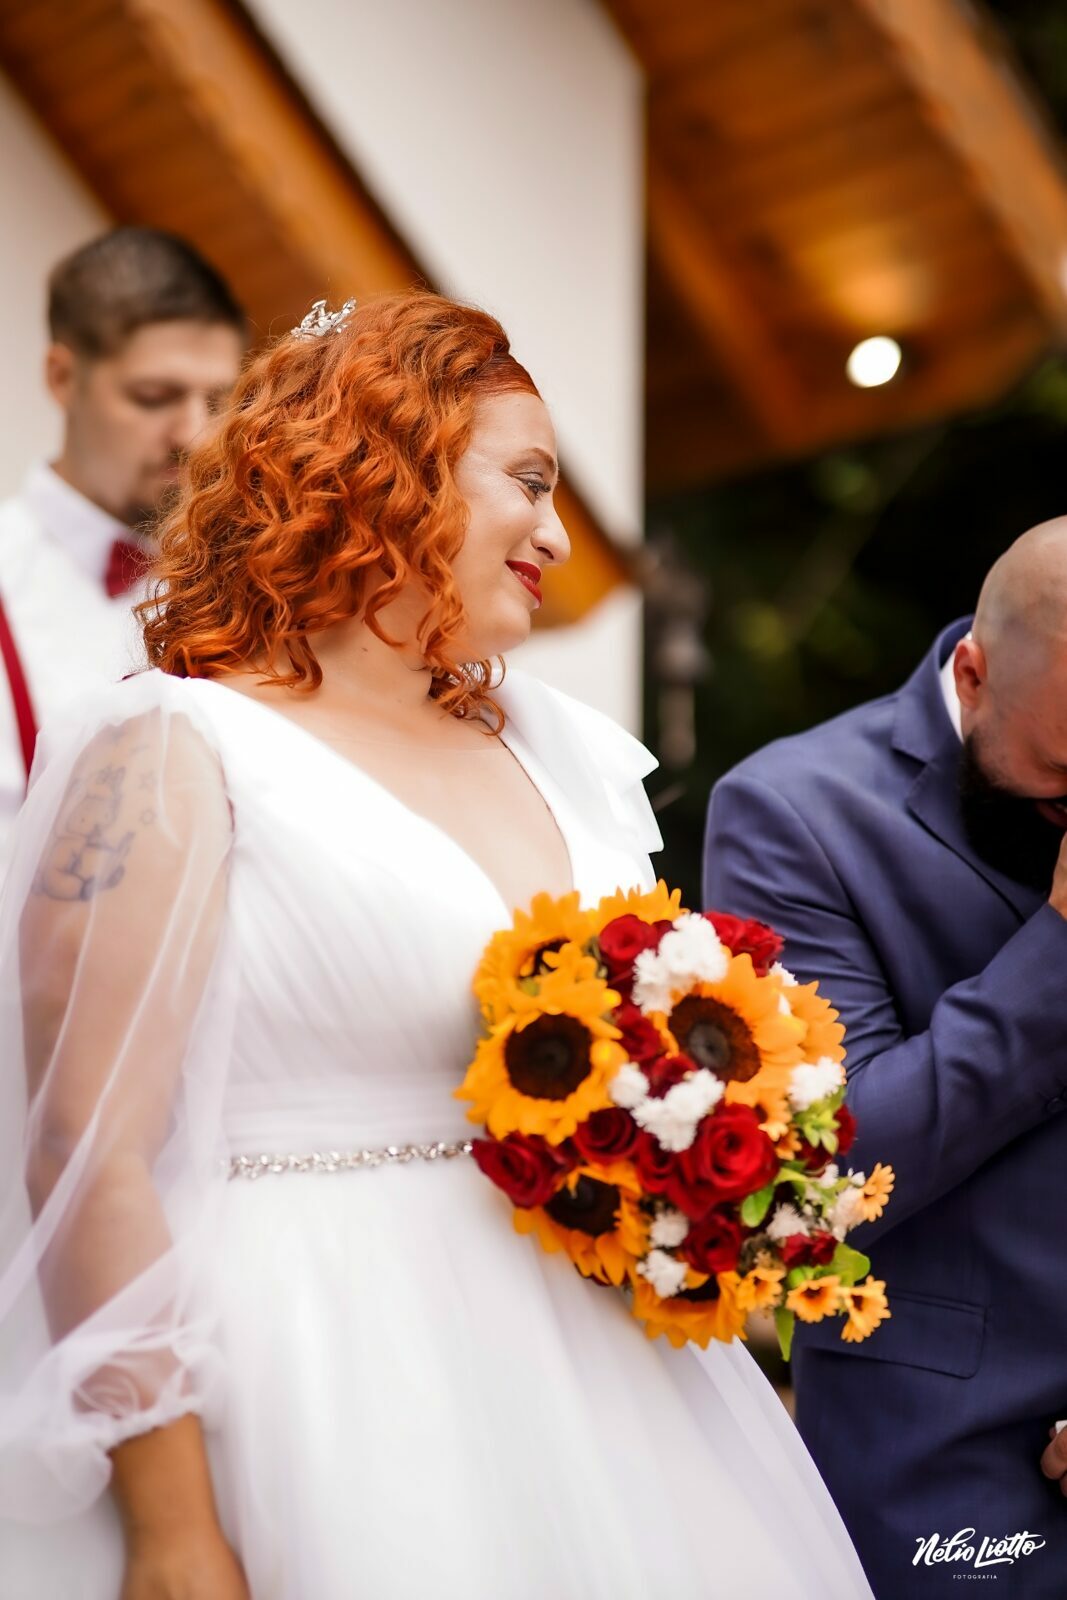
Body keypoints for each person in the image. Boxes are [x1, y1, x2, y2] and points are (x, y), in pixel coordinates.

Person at [0, 292, 873, 1599]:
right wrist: (173, 1524)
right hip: (316, 1371)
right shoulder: (173, 748)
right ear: (384, 468)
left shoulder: (555, 748)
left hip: (597, 1385)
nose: (557, 535)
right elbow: (83, 1144)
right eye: (528, 482)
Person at [704, 520, 1067, 1598]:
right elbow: (831, 1169)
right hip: (951, 1456)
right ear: (973, 673)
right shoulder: (793, 813)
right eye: (1059, 769)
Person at [0, 226, 245, 872]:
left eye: (217, 401)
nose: (194, 434)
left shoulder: (252, 584)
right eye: (154, 397)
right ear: (62, 377)